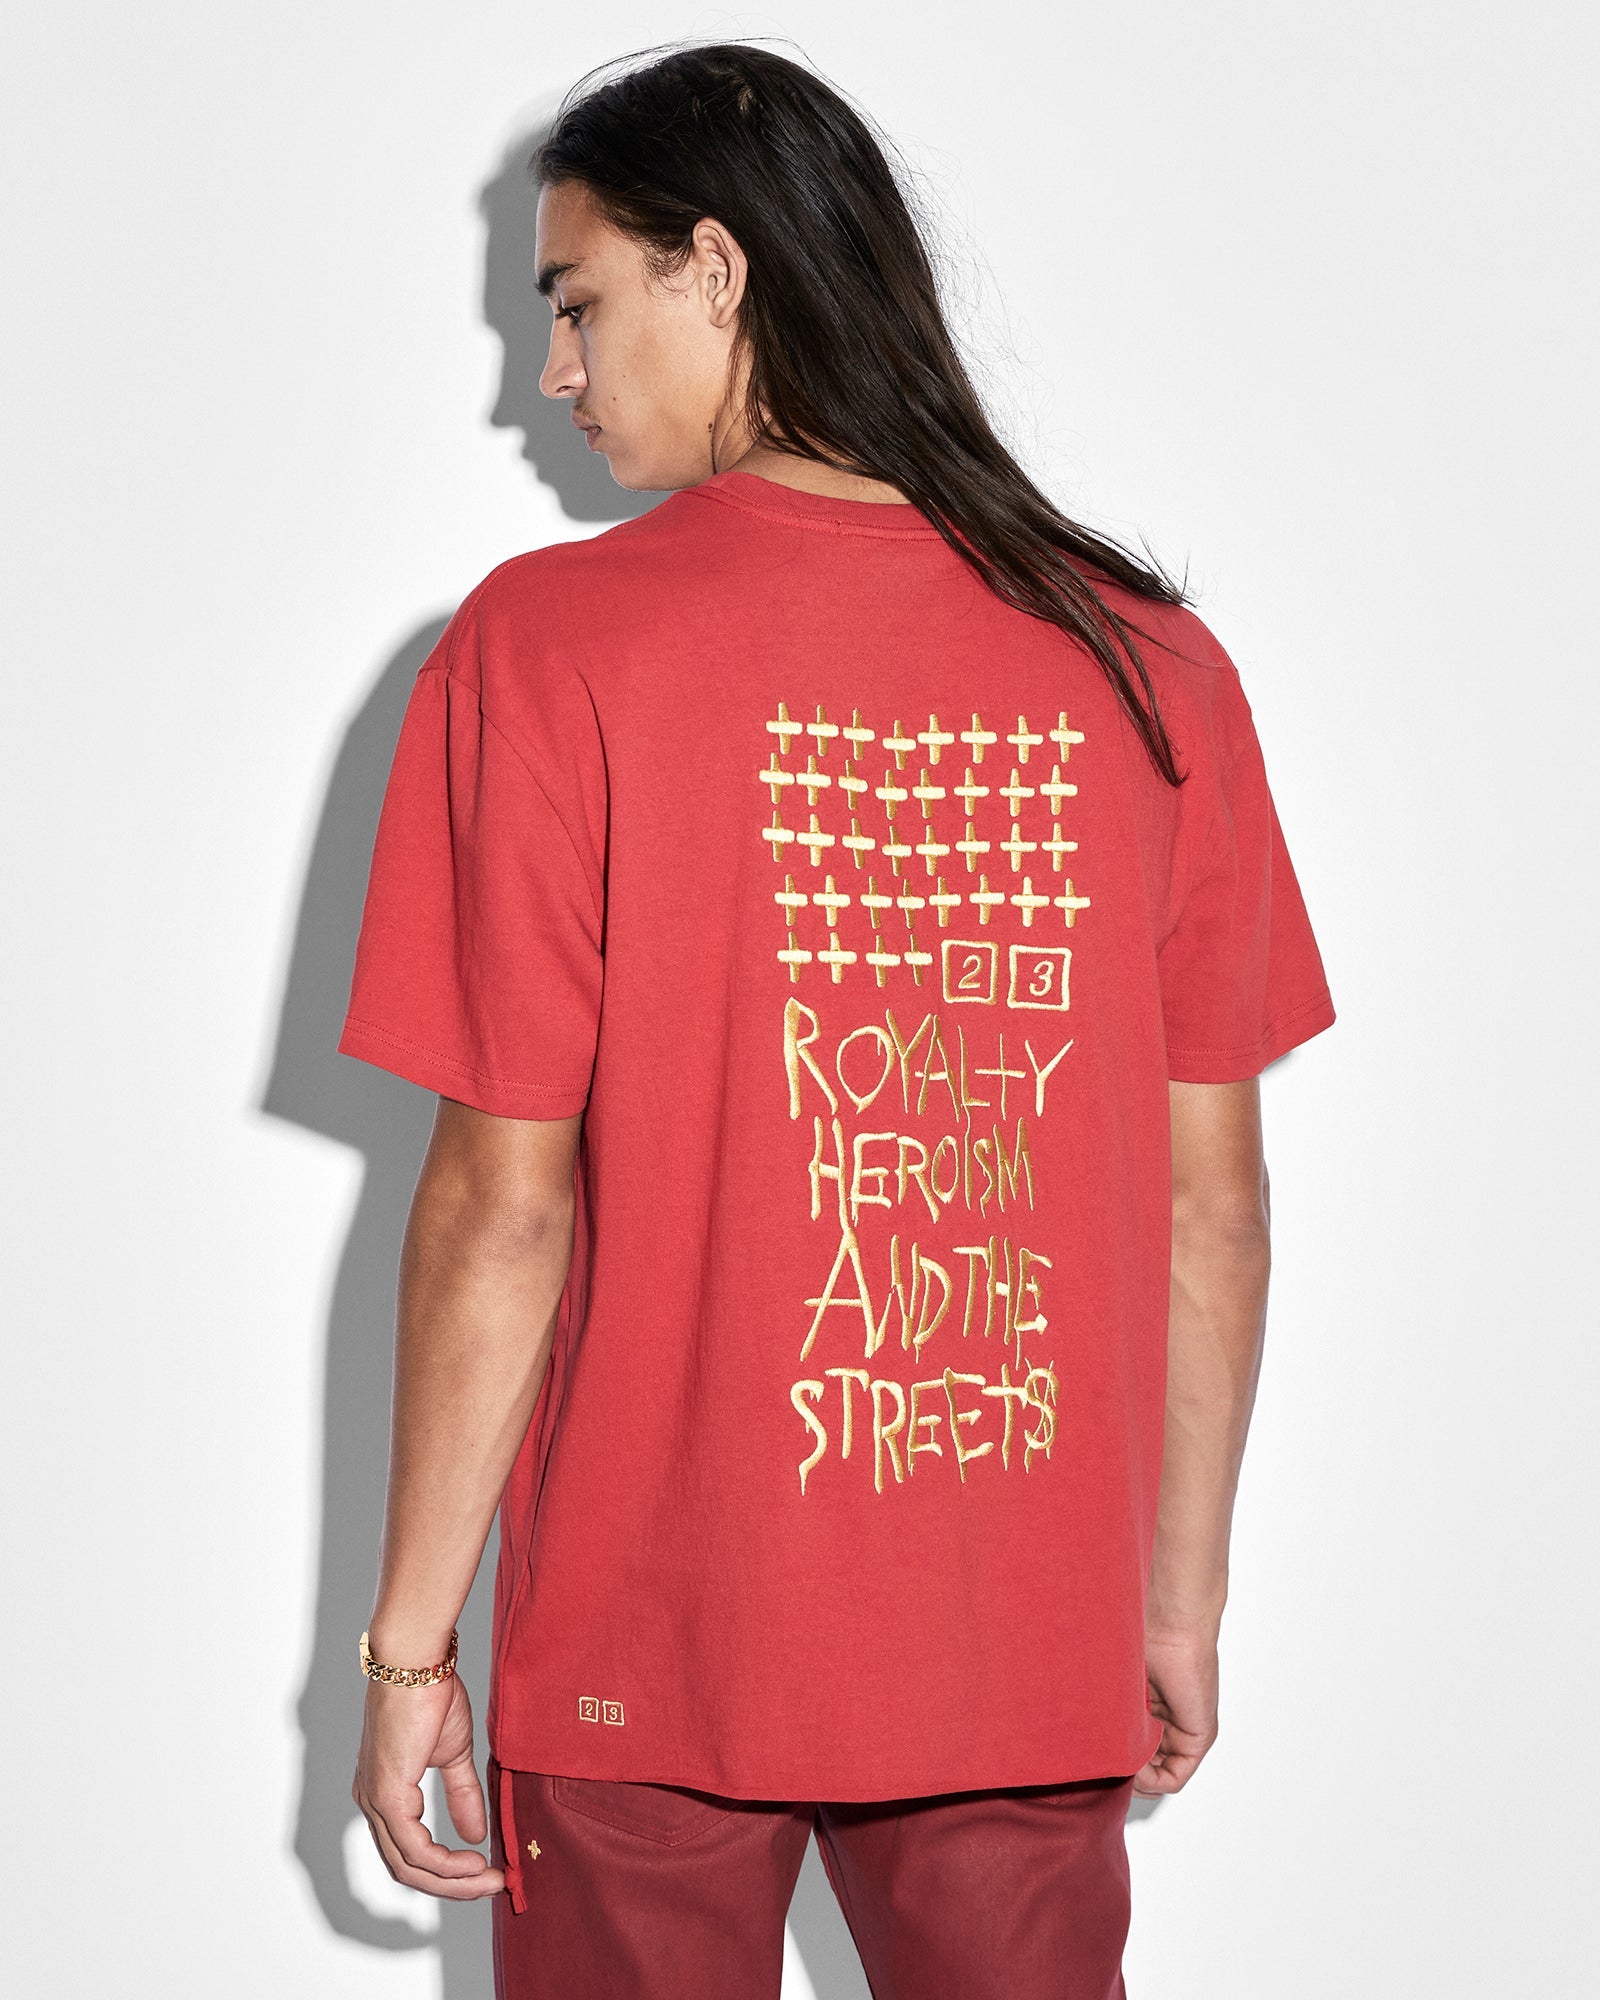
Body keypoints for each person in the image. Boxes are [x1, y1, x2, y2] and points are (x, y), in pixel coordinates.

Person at [342, 41, 1334, 2000]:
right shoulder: (1149, 666)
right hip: (1019, 1643)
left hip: (647, 1643)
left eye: (574, 301)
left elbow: (499, 1207)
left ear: (715, 268)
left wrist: (406, 1648)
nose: (550, 372)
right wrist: (1172, 1599)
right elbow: (1210, 1204)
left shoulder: (546, 648)